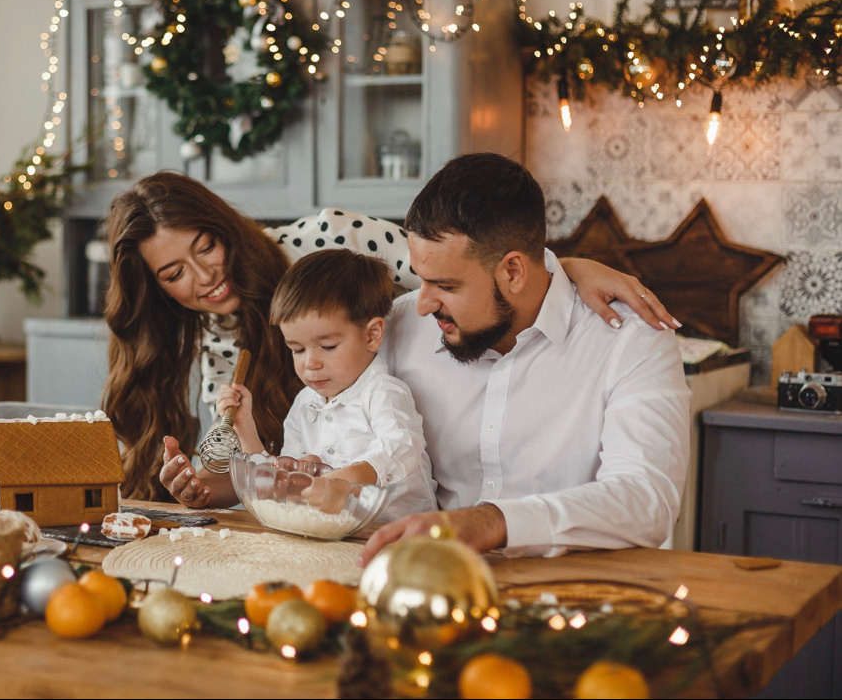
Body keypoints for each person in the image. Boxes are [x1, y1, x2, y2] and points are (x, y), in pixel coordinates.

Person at [102, 170, 675, 503]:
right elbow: (273, 469)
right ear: (156, 291)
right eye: (175, 274)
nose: (205, 278)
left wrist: (568, 269)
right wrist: (204, 485)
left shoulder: (329, 238)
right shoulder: (221, 345)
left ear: (224, 226)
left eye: (205, 247)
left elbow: (462, 264)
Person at [357, 152, 692, 565]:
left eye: (444, 284)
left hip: (581, 599)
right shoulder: (397, 328)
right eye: (421, 279)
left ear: (514, 272)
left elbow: (646, 501)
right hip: (424, 586)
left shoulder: (630, 340)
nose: (424, 304)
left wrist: (491, 523)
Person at [198, 248, 438, 520]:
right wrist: (246, 429)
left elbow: (402, 445)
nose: (310, 363)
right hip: (336, 536)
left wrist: (346, 479)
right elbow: (281, 481)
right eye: (297, 350)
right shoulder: (304, 404)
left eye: (327, 346)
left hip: (399, 536)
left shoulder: (383, 393)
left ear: (372, 336)